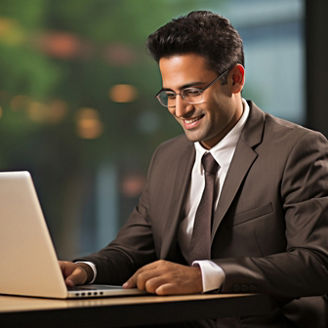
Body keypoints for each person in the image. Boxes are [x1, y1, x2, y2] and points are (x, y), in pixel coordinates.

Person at [60, 11, 328, 327]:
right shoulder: (167, 158)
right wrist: (86, 269)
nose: (179, 109)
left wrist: (203, 276)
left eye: (192, 91)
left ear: (235, 79)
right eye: (169, 95)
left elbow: (317, 262)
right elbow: (131, 250)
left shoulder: (298, 150)